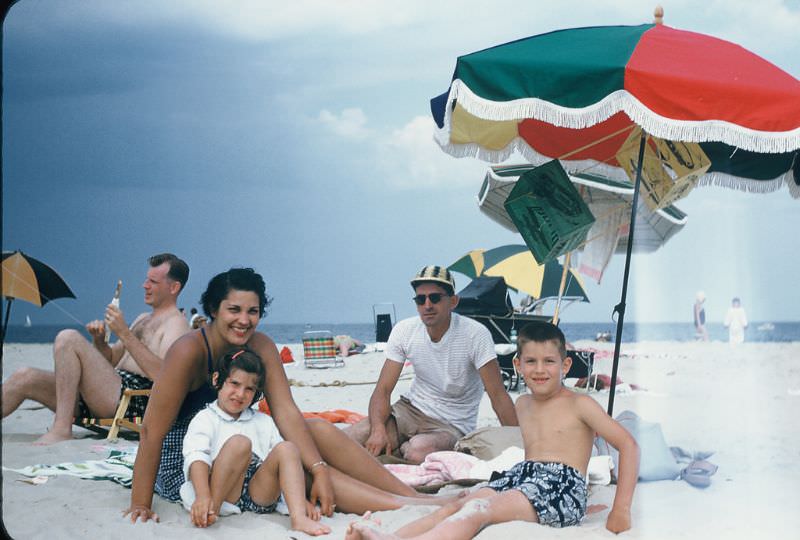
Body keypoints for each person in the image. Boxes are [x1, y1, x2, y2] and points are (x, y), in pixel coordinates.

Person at [124, 267, 446, 524]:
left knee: (316, 429)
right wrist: (140, 503)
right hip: (194, 455)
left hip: (243, 432)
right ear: (213, 309)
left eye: (253, 311)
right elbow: (152, 430)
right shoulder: (189, 351)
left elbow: (287, 413)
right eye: (233, 309)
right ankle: (398, 505)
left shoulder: (261, 345)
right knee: (295, 469)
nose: (244, 320)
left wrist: (320, 468)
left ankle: (412, 497)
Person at [346, 321, 639, 539]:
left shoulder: (581, 404)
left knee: (480, 510)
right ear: (517, 365)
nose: (540, 370)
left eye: (549, 362)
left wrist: (621, 508)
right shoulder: (523, 404)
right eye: (531, 361)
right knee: (460, 502)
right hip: (523, 476)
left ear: (565, 364)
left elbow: (628, 446)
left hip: (560, 485)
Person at [1, 253, 190, 445]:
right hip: (109, 393)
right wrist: (99, 341)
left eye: (153, 281)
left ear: (174, 287)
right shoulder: (143, 319)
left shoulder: (177, 325)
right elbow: (111, 360)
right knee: (24, 376)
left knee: (68, 338)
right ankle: (61, 424)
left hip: (132, 401)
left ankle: (61, 428)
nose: (145, 285)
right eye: (146, 279)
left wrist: (124, 332)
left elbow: (166, 377)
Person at [345, 265, 518, 464]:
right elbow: (383, 389)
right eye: (420, 299)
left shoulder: (475, 335)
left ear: (453, 301)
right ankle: (395, 449)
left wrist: (518, 444)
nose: (427, 305)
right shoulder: (405, 330)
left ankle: (399, 451)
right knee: (354, 436)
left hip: (451, 423)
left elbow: (498, 396)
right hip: (410, 410)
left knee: (418, 450)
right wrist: (378, 430)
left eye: (435, 298)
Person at [180, 347, 330, 535]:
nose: (240, 394)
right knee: (240, 443)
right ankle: (211, 509)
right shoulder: (205, 418)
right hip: (225, 491)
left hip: (259, 492)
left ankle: (298, 518)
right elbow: (197, 456)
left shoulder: (263, 421)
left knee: (287, 448)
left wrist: (299, 501)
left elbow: (285, 466)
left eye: (249, 389)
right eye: (234, 383)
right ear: (217, 379)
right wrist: (203, 496)